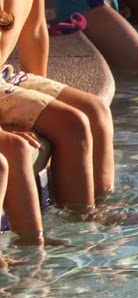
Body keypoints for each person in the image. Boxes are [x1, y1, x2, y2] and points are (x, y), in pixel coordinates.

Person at [2, 0, 118, 215]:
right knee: (72, 123)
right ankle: (80, 217)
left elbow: (35, 31)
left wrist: (38, 100)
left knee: (96, 110)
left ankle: (103, 205)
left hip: (5, 76)